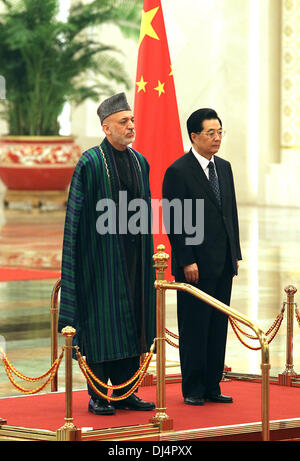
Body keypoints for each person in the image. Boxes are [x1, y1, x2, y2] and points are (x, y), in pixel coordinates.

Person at [58, 93, 156, 415]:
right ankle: (99, 395)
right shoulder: (89, 162)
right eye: (124, 122)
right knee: (102, 326)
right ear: (106, 127)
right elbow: (74, 221)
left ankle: (126, 392)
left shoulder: (141, 162)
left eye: (132, 121)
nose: (131, 126)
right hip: (99, 262)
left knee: (132, 323)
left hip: (134, 260)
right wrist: (76, 265)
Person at [162, 108, 242, 406]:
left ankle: (212, 385)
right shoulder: (178, 171)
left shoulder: (224, 167)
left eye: (220, 131)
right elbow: (174, 220)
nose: (217, 138)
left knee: (218, 325)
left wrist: (235, 254)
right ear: (194, 136)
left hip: (222, 262)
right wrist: (186, 259)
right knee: (195, 325)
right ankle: (193, 388)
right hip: (194, 264)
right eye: (211, 133)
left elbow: (229, 214)